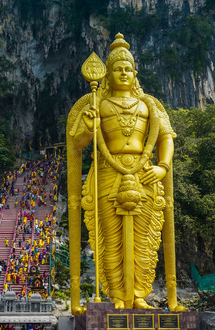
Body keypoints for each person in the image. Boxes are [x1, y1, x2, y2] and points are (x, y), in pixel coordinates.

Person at [68, 33, 176, 310]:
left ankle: (139, 295)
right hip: (107, 171)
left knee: (144, 237)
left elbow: (166, 138)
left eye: (128, 68)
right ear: (108, 74)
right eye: (118, 69)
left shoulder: (148, 105)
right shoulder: (97, 104)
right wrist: (89, 126)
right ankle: (116, 295)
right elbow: (77, 143)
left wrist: (162, 167)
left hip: (144, 173)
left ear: (135, 72)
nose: (124, 73)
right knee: (111, 238)